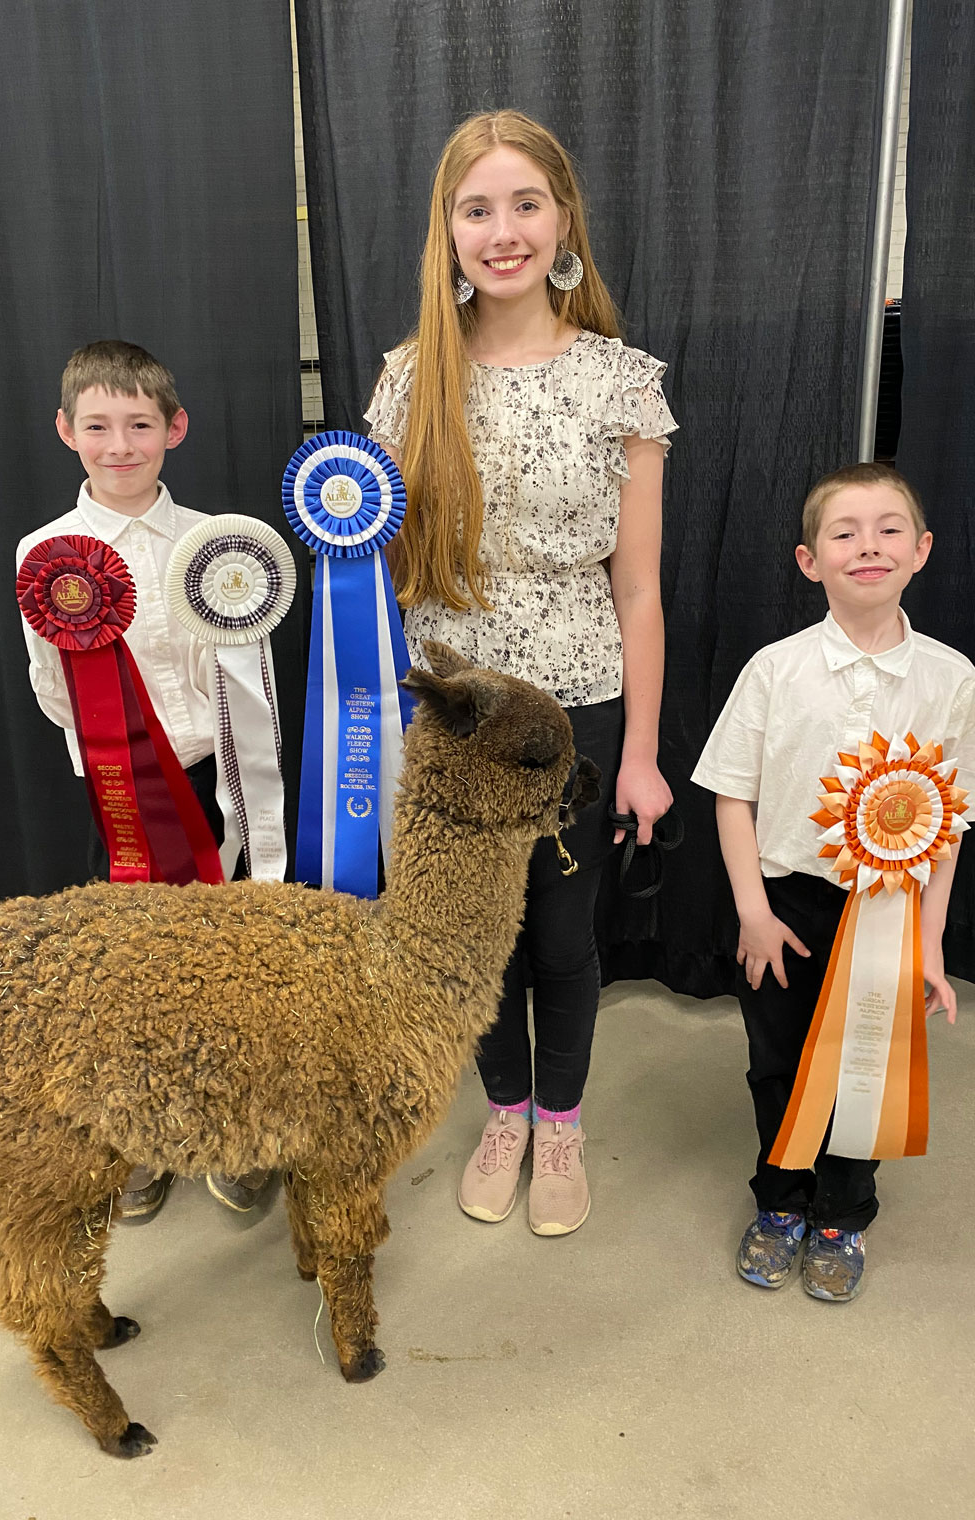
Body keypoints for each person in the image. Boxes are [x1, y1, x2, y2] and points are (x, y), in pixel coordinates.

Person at [365, 110, 677, 1236]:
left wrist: (639, 754)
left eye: (524, 204)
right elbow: (384, 574)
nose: (503, 231)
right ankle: (502, 1107)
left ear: (562, 222)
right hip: (450, 716)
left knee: (560, 936)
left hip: (574, 712)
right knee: (470, 932)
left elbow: (636, 590)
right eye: (477, 208)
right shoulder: (407, 384)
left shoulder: (622, 384)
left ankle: (561, 1122)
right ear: (447, 231)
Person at [692, 463, 975, 1301]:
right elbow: (732, 793)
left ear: (923, 549)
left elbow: (953, 825)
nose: (869, 544)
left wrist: (930, 942)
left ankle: (841, 1211)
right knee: (778, 1062)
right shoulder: (774, 670)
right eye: (845, 532)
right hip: (786, 904)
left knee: (868, 1062)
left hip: (894, 916)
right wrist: (753, 912)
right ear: (808, 560)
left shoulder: (952, 679)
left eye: (889, 527)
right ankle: (781, 1201)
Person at [15, 339, 270, 1219]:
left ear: (175, 427)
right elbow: (53, 687)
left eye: (138, 424)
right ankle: (146, 1134)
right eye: (97, 425)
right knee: (133, 971)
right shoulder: (46, 552)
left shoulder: (216, 545)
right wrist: (117, 749)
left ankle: (235, 1127)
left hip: (218, 788)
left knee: (227, 959)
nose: (118, 444)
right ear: (64, 431)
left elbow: (244, 674)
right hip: (120, 797)